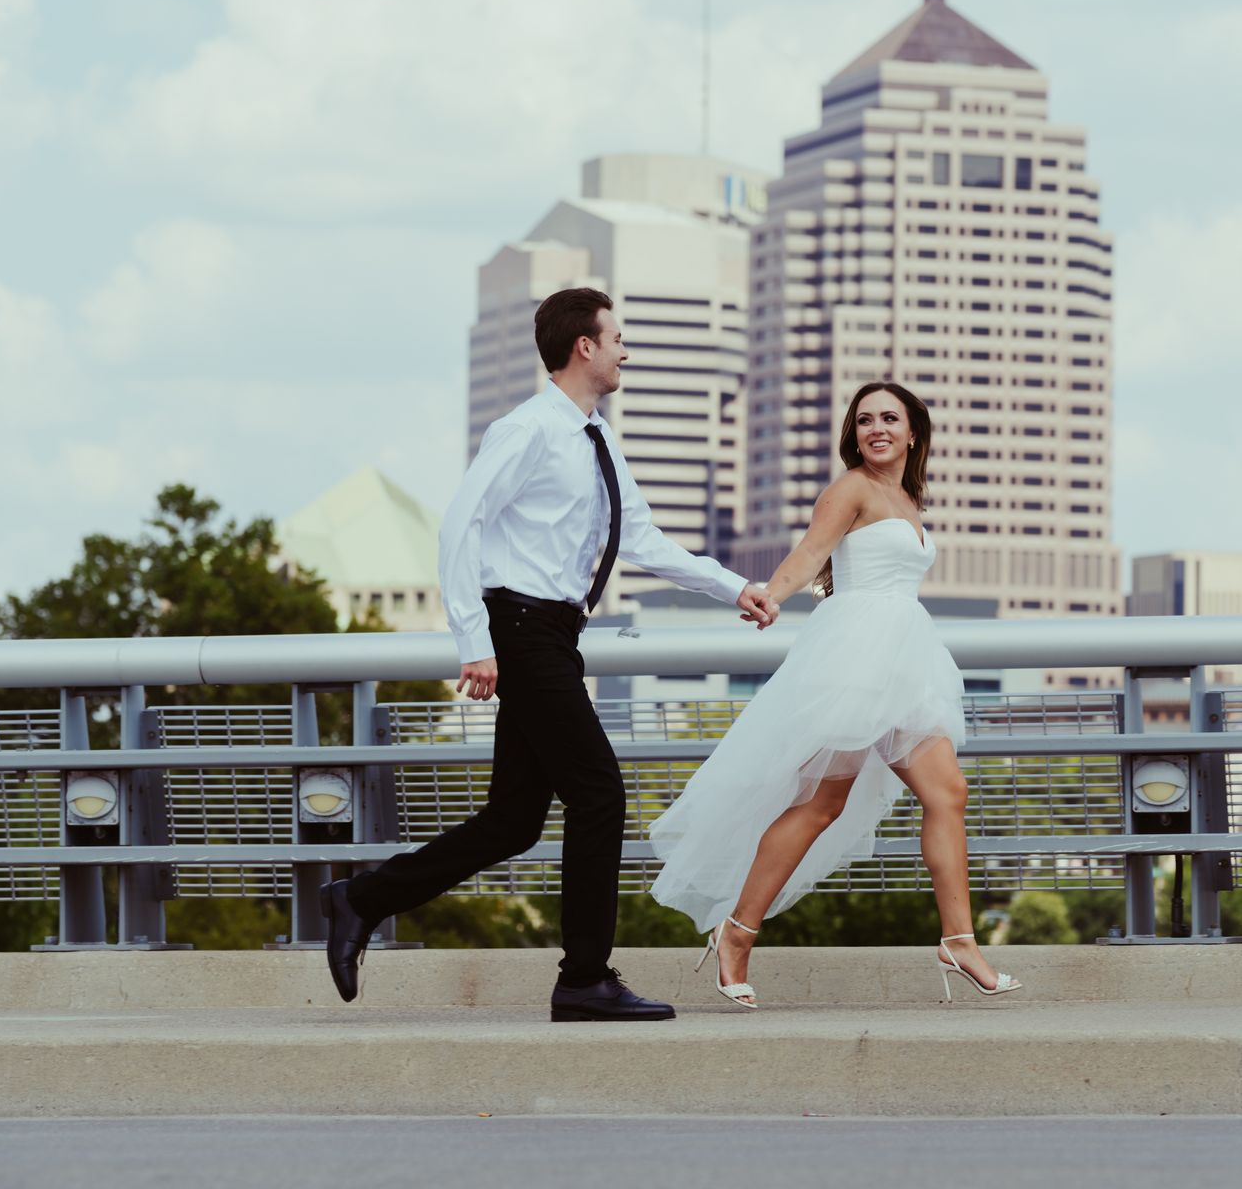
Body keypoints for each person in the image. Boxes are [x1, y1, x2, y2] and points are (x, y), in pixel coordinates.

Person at [322, 287, 779, 1022]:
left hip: (555, 635)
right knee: (600, 791)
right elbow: (459, 527)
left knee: (514, 820)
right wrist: (475, 641)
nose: (627, 350)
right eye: (618, 337)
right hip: (521, 630)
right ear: (585, 347)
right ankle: (585, 978)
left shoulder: (596, 440)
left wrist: (736, 589)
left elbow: (644, 541)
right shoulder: (528, 430)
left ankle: (360, 898)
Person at [650, 382, 1020, 1008]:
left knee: (947, 791)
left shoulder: (905, 497)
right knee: (822, 804)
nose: (877, 428)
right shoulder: (850, 488)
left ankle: (959, 940)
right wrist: (771, 594)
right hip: (855, 658)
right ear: (855, 433)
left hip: (906, 661)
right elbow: (811, 554)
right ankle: (737, 931)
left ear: (911, 431)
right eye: (865, 419)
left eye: (889, 419)